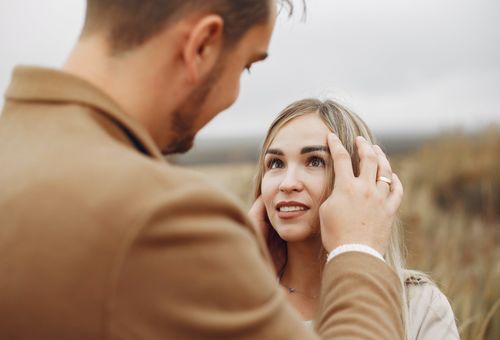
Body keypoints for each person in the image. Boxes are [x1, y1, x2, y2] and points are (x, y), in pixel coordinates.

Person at [1, 1, 404, 339]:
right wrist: (359, 250)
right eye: (246, 65)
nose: (234, 94)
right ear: (202, 46)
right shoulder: (166, 217)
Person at [250, 98, 460, 339]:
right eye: (276, 163)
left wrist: (356, 249)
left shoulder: (418, 304)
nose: (287, 183)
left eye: (315, 161)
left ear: (360, 179)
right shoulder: (237, 301)